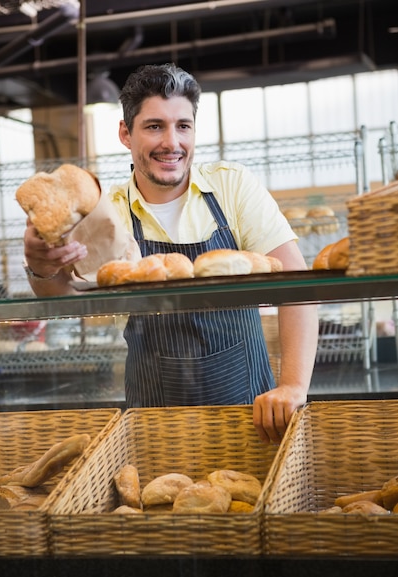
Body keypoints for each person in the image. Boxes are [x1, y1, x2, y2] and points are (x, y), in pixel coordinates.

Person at [23, 62, 318, 443]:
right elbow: (64, 299)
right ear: (125, 134)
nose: (172, 142)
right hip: (153, 422)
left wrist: (293, 386)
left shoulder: (232, 188)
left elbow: (298, 287)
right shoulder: (105, 210)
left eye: (183, 126)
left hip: (251, 413)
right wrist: (41, 266)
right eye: (154, 126)